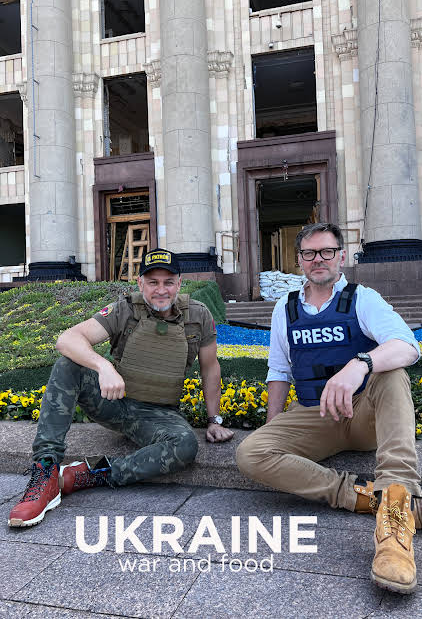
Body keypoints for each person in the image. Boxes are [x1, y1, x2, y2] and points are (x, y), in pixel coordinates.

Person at [236, 222, 422, 595]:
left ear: (341, 256)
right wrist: (272, 427)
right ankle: (362, 496)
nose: (318, 259)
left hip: (364, 413)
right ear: (299, 259)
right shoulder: (285, 308)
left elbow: (408, 346)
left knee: (392, 372)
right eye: (309, 253)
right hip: (315, 415)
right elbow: (279, 372)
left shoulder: (363, 298)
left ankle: (396, 511)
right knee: (250, 452)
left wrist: (360, 364)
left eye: (326, 251)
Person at [9, 249, 233, 528]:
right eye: (153, 282)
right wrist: (103, 366)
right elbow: (67, 339)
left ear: (179, 283)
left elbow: (210, 368)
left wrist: (214, 421)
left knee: (185, 445)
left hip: (158, 415)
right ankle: (45, 471)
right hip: (114, 402)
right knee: (68, 365)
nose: (161, 290)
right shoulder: (125, 309)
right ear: (140, 284)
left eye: (168, 282)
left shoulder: (198, 315)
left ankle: (91, 474)